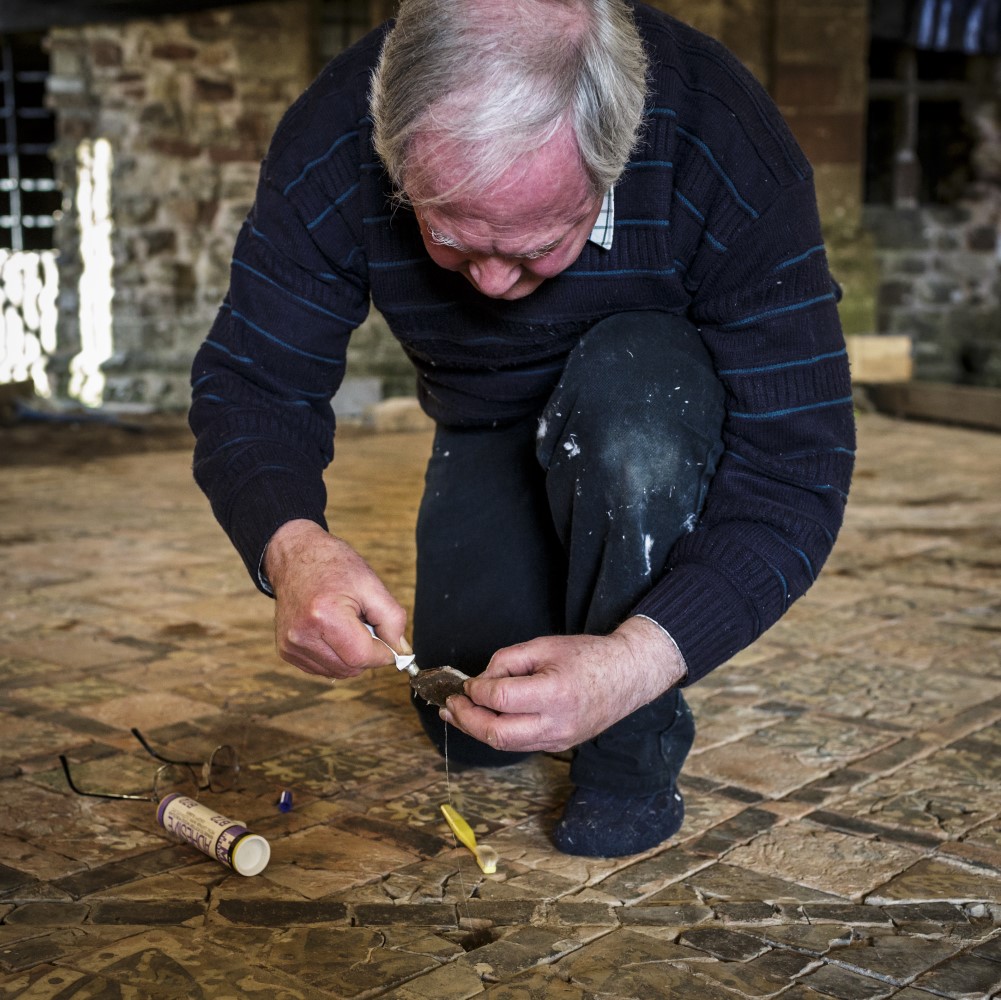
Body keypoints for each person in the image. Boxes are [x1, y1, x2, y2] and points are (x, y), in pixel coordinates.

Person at [189, 0, 855, 858]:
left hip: (650, 414)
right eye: (451, 241)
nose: (494, 286)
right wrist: (291, 547)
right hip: (484, 420)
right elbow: (252, 379)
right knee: (472, 727)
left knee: (634, 403)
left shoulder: (723, 141)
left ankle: (631, 748)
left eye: (540, 245)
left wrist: (635, 664)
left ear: (611, 164)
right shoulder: (331, 131)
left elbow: (797, 469)